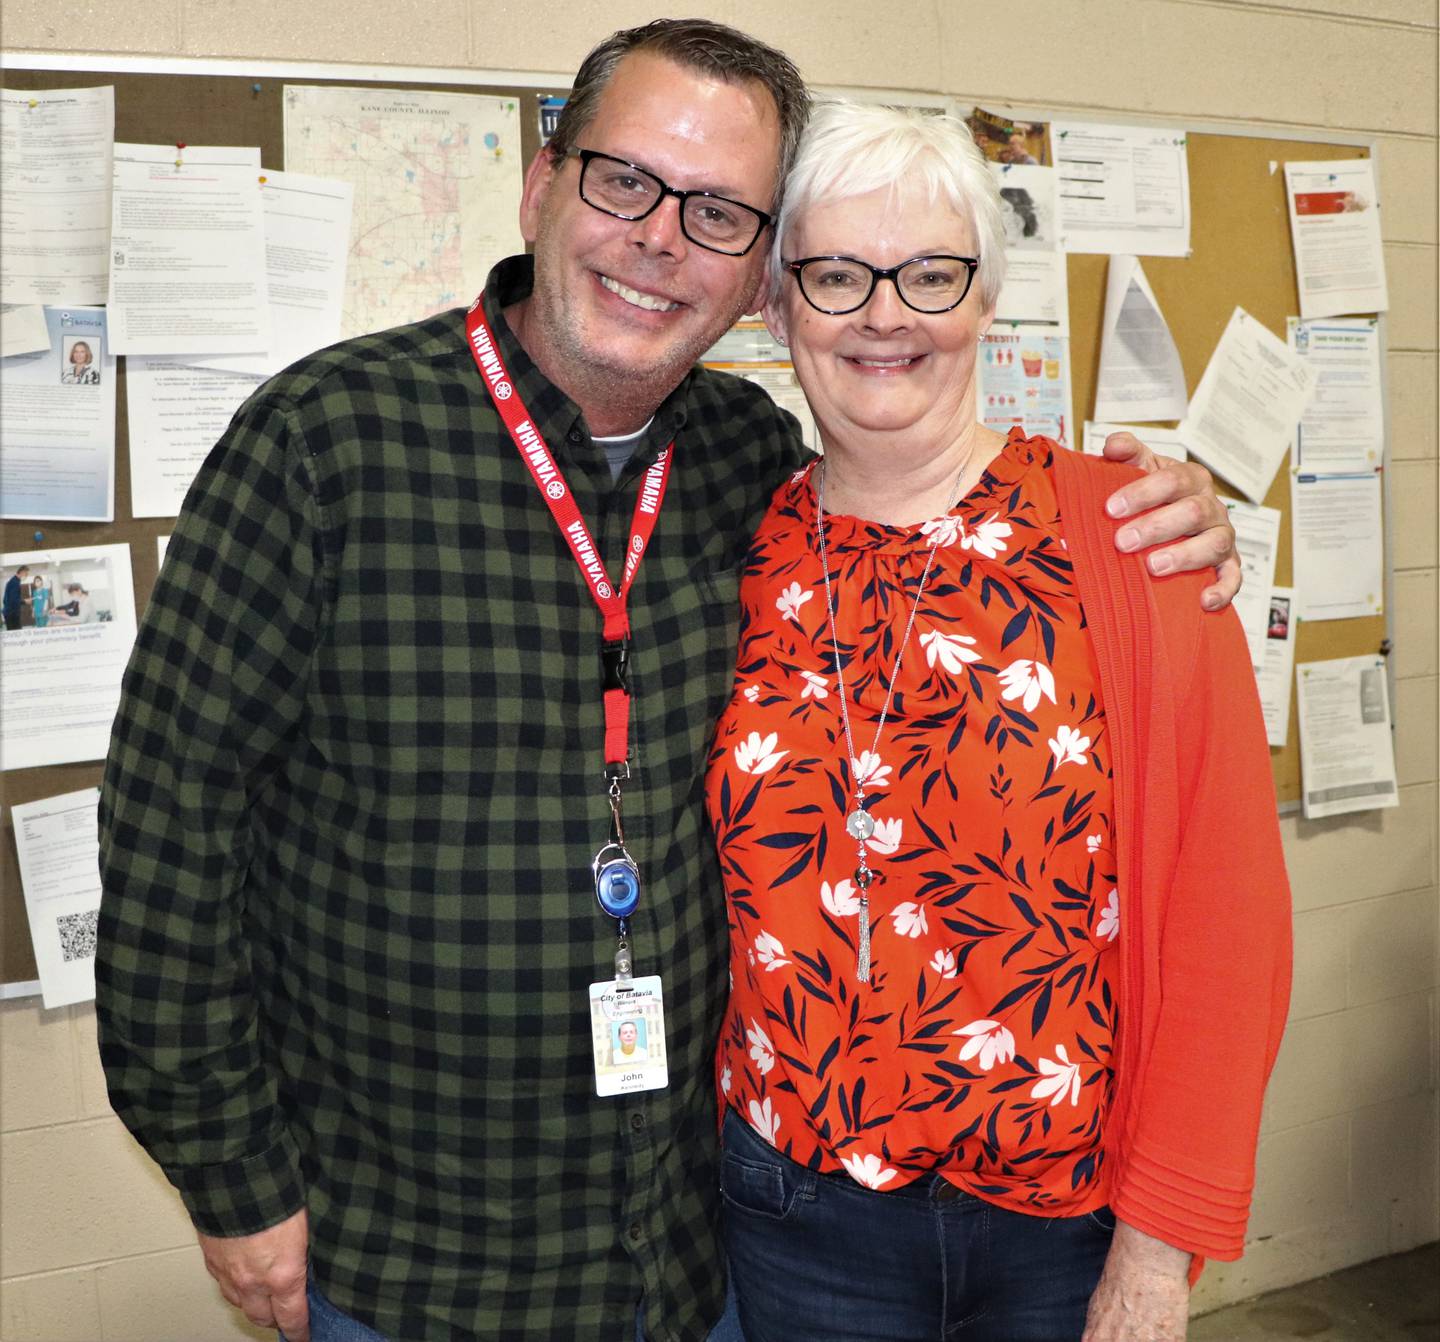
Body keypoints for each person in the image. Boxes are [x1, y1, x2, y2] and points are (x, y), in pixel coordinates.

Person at [96, 21, 1241, 1342]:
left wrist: (1171, 506)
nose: (658, 237)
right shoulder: (322, 446)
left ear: (757, 273)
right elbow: (169, 837)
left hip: (695, 1262)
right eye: (622, 180)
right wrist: (236, 1184)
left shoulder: (749, 465)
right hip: (413, 1265)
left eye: (717, 211)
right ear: (542, 184)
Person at [705, 102, 1291, 1342]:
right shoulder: (729, 553)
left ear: (985, 300)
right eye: (835, 275)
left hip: (1065, 1226)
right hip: (794, 1217)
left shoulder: (1133, 541)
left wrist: (1156, 1249)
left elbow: (1228, 919)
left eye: (930, 273)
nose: (884, 313)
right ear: (777, 307)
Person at [3, 564, 31, 630]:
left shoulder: (12, 581)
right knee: (16, 634)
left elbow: (5, 600)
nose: (26, 577)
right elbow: (13, 600)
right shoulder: (14, 583)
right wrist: (25, 601)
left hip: (9, 613)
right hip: (12, 614)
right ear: (22, 572)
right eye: (26, 575)